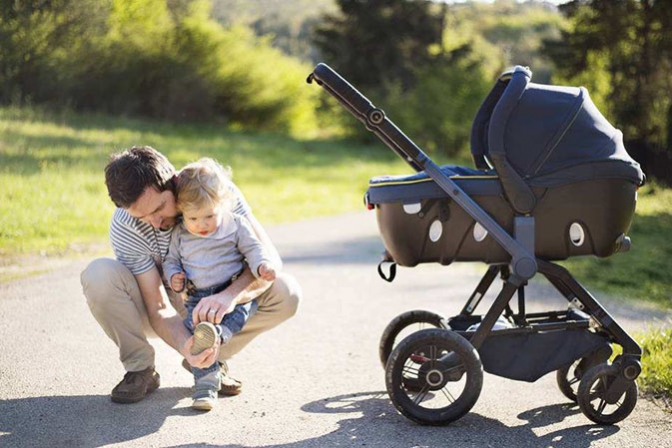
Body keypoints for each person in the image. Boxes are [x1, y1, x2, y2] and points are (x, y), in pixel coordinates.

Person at [80, 146, 301, 404]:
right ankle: (141, 369)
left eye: (159, 208)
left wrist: (229, 297)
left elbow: (270, 259)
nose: (155, 222)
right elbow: (158, 307)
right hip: (159, 308)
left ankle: (210, 360)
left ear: (173, 182)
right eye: (142, 216)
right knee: (98, 274)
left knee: (287, 292)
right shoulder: (125, 226)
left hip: (218, 305)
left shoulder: (210, 189)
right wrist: (186, 344)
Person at [163, 158, 277, 410]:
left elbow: (254, 250)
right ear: (181, 211)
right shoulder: (180, 233)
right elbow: (171, 260)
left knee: (234, 318)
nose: (201, 224)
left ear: (222, 204)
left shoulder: (236, 225)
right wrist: (174, 277)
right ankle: (204, 390)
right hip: (197, 298)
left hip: (233, 291)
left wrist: (262, 266)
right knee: (197, 339)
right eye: (193, 218)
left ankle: (218, 335)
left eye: (209, 216)